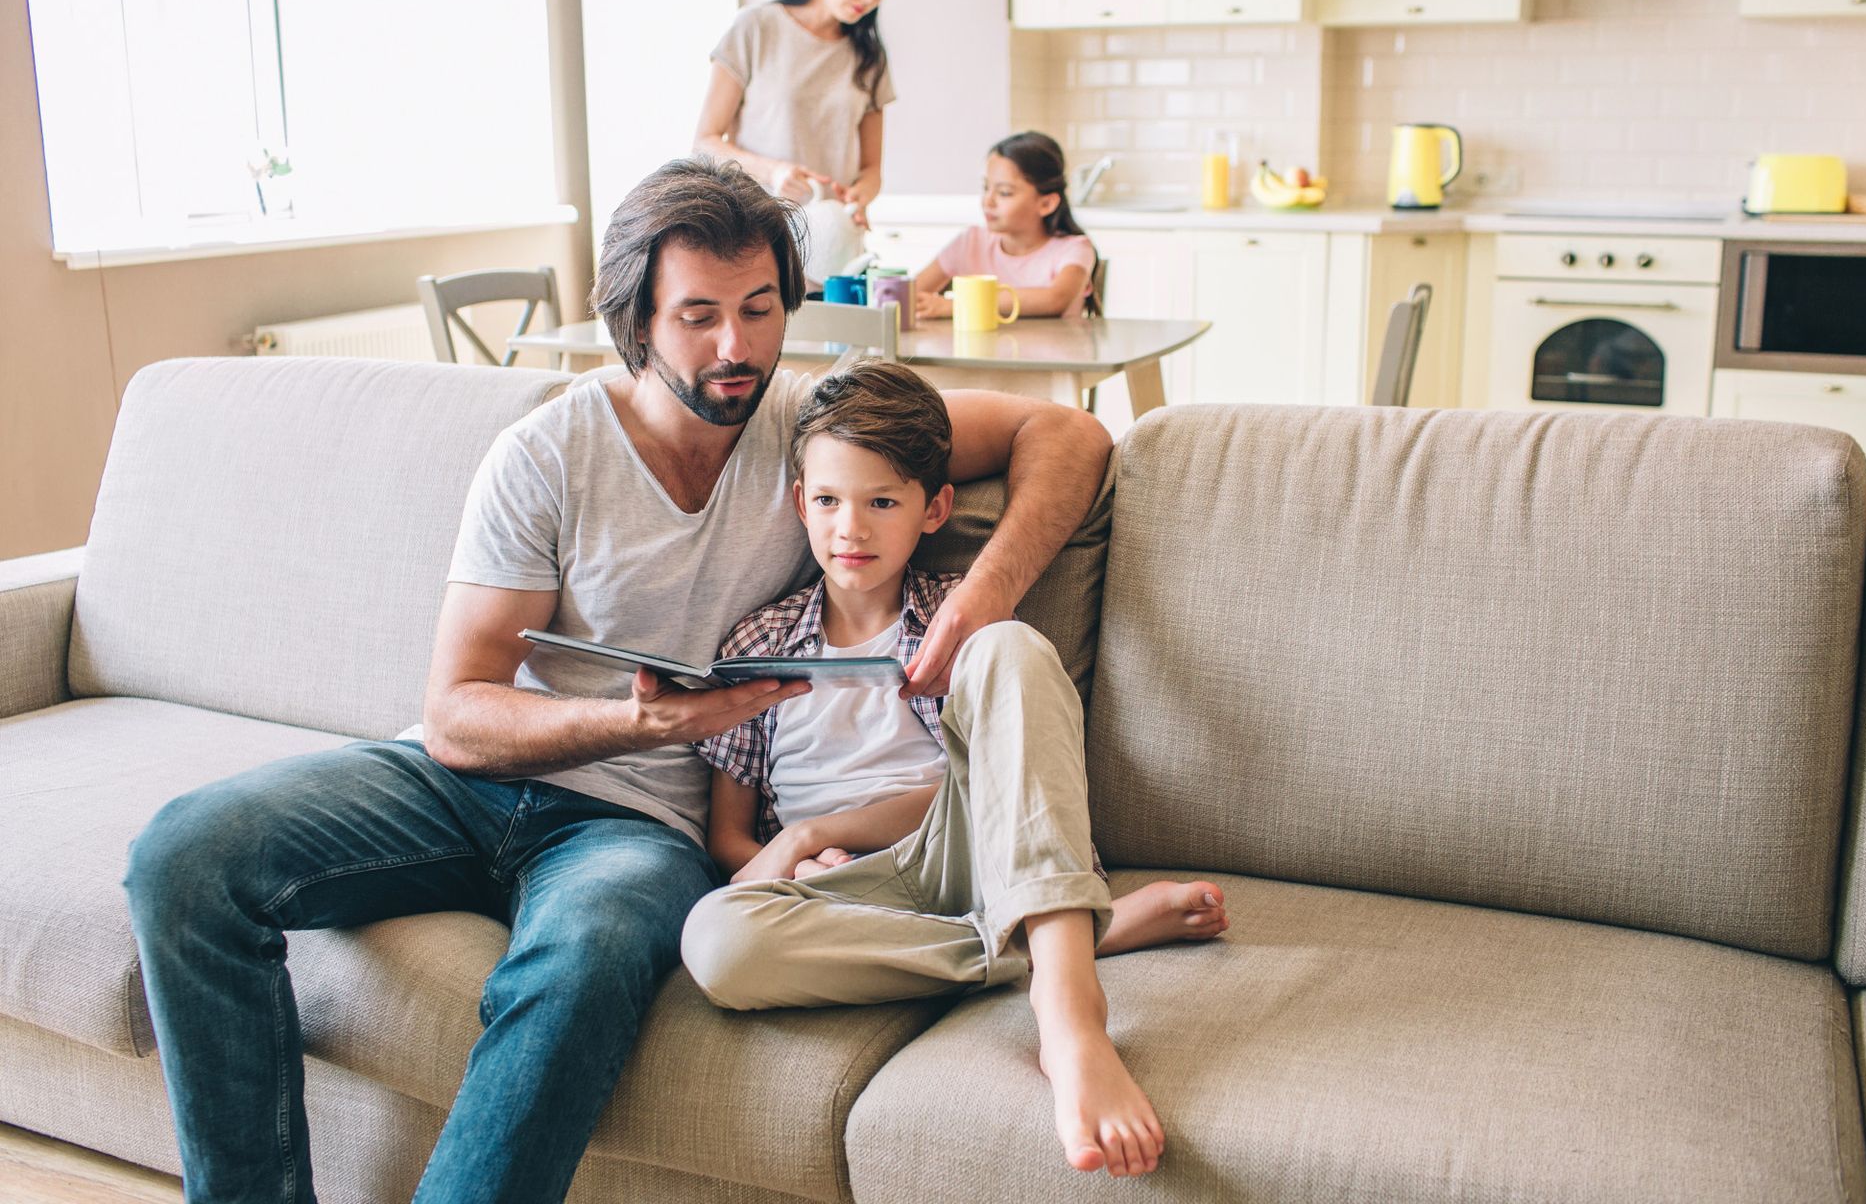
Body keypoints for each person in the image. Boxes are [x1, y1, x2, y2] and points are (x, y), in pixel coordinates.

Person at [121, 155, 1112, 1204]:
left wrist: (979, 597)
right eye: (698, 315)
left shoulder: (812, 436)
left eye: (760, 308)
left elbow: (1069, 430)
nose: (737, 347)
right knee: (184, 854)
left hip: (634, 834)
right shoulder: (544, 456)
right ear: (634, 319)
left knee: (586, 954)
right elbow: (455, 711)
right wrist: (632, 720)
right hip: (461, 783)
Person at [681, 360, 1228, 1179]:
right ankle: (1065, 937)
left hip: (963, 854)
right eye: (828, 501)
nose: (850, 529)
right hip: (843, 897)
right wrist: (799, 854)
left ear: (934, 509)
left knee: (1010, 644)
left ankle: (1069, 1017)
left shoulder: (954, 616)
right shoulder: (756, 645)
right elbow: (730, 836)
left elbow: (997, 785)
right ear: (801, 503)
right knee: (714, 943)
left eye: (882, 503)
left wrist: (823, 828)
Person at [695, 0, 905, 226]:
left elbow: (872, 170)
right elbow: (704, 143)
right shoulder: (756, 28)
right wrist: (773, 172)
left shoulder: (869, 57)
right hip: (757, 233)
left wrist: (861, 194)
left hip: (835, 241)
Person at [915, 130, 1097, 323]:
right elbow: (910, 294)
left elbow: (1054, 299)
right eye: (986, 188)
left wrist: (958, 305)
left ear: (1046, 204)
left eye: (1004, 193)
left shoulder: (1074, 249)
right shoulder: (971, 242)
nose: (988, 201)